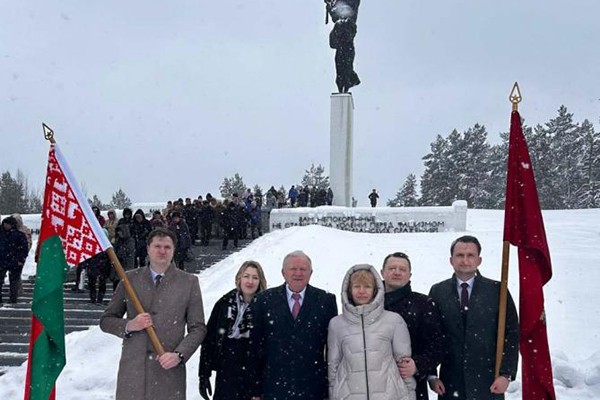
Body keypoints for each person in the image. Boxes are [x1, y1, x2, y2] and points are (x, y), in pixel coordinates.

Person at [100, 227, 207, 400]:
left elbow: (198, 328)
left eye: (167, 247)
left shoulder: (189, 283)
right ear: (148, 249)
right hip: (133, 373)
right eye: (157, 246)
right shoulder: (129, 280)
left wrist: (179, 355)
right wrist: (129, 325)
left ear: (174, 251)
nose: (162, 251)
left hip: (168, 372)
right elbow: (106, 320)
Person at [428, 235, 519, 400]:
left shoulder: (498, 291)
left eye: (470, 255)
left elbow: (512, 334)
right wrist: (432, 376)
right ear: (451, 260)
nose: (465, 260)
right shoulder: (438, 291)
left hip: (489, 383)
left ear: (479, 260)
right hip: (450, 383)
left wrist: (506, 374)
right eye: (459, 255)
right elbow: (430, 335)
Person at [250, 250, 338, 400]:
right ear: (283, 272)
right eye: (293, 269)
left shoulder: (325, 301)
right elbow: (255, 347)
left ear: (311, 273)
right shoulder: (263, 300)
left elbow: (332, 349)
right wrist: (255, 390)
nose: (298, 273)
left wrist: (329, 389)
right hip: (273, 388)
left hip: (313, 388)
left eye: (303, 269)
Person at [328, 264, 416, 400]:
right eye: (357, 286)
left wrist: (410, 395)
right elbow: (333, 365)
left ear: (375, 290)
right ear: (349, 290)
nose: (362, 291)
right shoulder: (336, 324)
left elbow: (404, 366)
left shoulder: (394, 320)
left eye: (367, 287)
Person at [199, 261, 268, 400]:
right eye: (246, 276)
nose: (250, 281)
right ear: (239, 278)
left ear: (260, 281)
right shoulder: (224, 303)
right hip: (227, 371)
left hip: (255, 374)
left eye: (255, 277)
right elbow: (210, 341)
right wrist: (204, 375)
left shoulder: (266, 306)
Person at [381, 252, 445, 400]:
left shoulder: (423, 304)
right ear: (382, 272)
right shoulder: (369, 303)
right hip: (372, 384)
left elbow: (437, 345)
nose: (397, 272)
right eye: (392, 268)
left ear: (410, 275)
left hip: (411, 385)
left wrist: (418, 365)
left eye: (402, 269)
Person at [325, 0, 361, 93]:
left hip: (346, 44)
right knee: (340, 70)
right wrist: (330, 5)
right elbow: (334, 15)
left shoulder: (349, 18)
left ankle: (346, 85)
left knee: (345, 68)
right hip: (342, 46)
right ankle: (343, 87)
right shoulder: (339, 21)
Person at [0, 216, 29, 304]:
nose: (6, 226)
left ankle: (13, 298)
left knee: (14, 282)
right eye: (5, 223)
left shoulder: (19, 235)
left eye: (8, 224)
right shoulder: (1, 234)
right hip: (2, 260)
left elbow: (24, 248)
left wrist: (21, 260)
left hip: (15, 261)